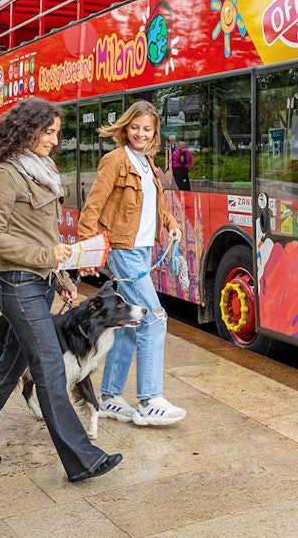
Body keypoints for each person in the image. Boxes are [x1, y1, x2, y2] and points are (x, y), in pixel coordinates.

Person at [0, 97, 122, 483]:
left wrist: (59, 278)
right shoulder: (4, 175)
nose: (54, 141)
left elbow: (40, 234)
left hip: (40, 285)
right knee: (48, 369)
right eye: (49, 132)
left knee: (8, 368)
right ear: (27, 130)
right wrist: (46, 254)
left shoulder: (40, 171)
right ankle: (83, 459)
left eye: (57, 134)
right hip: (18, 287)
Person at [78, 100, 186, 426]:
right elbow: (92, 207)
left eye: (146, 129)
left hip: (141, 251)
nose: (140, 133)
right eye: (135, 127)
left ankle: (109, 397)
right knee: (154, 317)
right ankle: (150, 399)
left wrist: (170, 224)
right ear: (126, 127)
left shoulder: (148, 164)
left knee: (129, 325)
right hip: (122, 249)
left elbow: (153, 207)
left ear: (154, 133)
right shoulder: (115, 160)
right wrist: (87, 250)